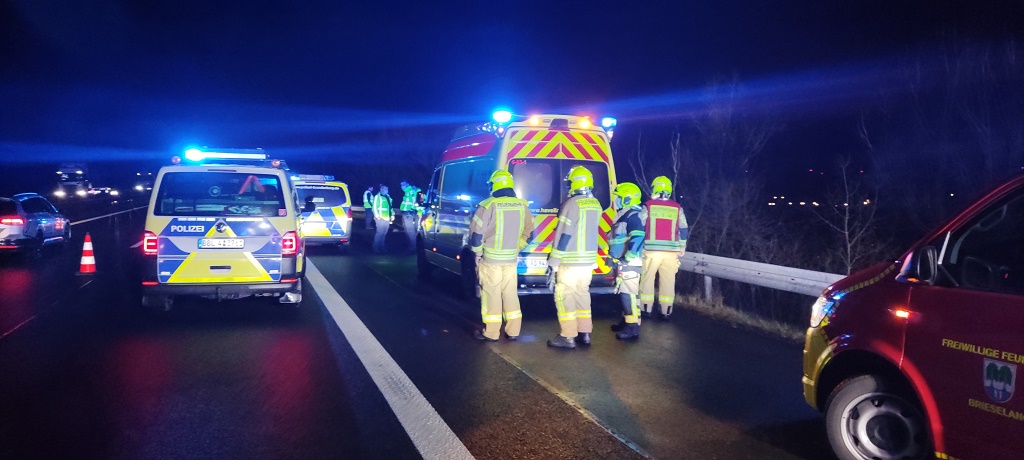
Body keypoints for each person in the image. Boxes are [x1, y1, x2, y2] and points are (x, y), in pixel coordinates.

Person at [469, 170, 534, 342]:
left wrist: (477, 254)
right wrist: (516, 248)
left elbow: (476, 235)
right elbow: (530, 233)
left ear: (494, 185)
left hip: (490, 260)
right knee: (510, 294)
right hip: (511, 260)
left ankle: (491, 333)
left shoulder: (488, 205)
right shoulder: (522, 205)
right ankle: (513, 331)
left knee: (492, 295)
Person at [546, 165, 602, 349]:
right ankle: (584, 333)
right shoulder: (595, 204)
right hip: (587, 262)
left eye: (570, 182)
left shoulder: (571, 204)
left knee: (564, 296)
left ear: (575, 183)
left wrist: (553, 261)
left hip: (569, 262)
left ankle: (567, 336)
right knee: (582, 295)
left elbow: (564, 234)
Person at [639, 176, 689, 320]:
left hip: (651, 251)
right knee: (668, 281)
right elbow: (684, 228)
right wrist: (682, 247)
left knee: (647, 279)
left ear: (654, 188)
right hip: (671, 252)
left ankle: (646, 309)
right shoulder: (677, 207)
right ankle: (666, 311)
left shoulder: (648, 206)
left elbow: (640, 226)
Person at [608, 182, 646, 340]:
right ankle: (626, 321)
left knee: (628, 294)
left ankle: (632, 327)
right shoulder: (625, 215)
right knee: (625, 293)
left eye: (619, 197)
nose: (616, 200)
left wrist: (627, 258)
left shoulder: (633, 216)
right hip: (624, 261)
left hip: (630, 263)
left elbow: (638, 237)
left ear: (628, 198)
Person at [399, 180, 423, 253]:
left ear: (408, 184)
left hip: (409, 213)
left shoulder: (411, 191)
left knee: (410, 230)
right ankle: (413, 245)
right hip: (410, 212)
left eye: (403, 185)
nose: (401, 187)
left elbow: (419, 203)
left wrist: (418, 211)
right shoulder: (410, 191)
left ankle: (413, 246)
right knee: (410, 230)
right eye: (401, 185)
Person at [371, 185, 394, 253]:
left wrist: (392, 215)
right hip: (380, 218)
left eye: (387, 189)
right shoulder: (377, 197)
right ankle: (376, 248)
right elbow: (374, 207)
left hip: (387, 218)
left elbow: (390, 207)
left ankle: (382, 247)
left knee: (384, 233)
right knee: (379, 233)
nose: (386, 190)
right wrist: (377, 217)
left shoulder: (388, 197)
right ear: (381, 189)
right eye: (385, 189)